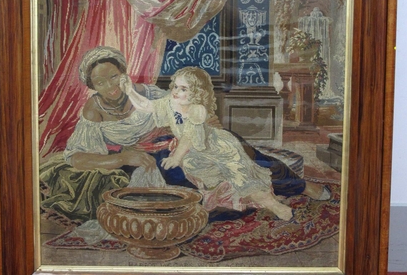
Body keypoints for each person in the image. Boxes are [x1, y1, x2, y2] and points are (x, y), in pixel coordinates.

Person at [40, 46, 329, 225]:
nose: (110, 86)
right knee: (203, 180)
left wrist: (206, 120)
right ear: (92, 86)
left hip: (182, 139)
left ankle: (299, 185)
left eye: (114, 76)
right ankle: (267, 198)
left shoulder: (145, 92)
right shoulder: (93, 110)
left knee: (239, 149)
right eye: (100, 82)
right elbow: (75, 156)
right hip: (152, 158)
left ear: (124, 73)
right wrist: (123, 157)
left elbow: (181, 108)